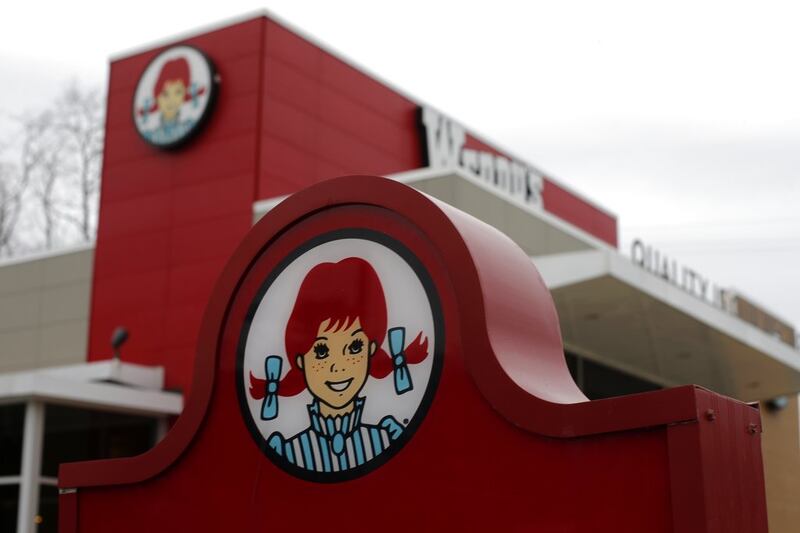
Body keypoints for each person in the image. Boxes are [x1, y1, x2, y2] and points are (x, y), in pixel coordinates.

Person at [249, 257, 429, 473]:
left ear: (371, 349)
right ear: (300, 360)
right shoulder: (287, 450)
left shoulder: (387, 435)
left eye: (354, 347)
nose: (338, 367)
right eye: (321, 351)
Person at [136, 57, 205, 144]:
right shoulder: (150, 135)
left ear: (184, 94)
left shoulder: (190, 125)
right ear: (157, 96)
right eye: (165, 94)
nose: (171, 100)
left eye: (177, 93)